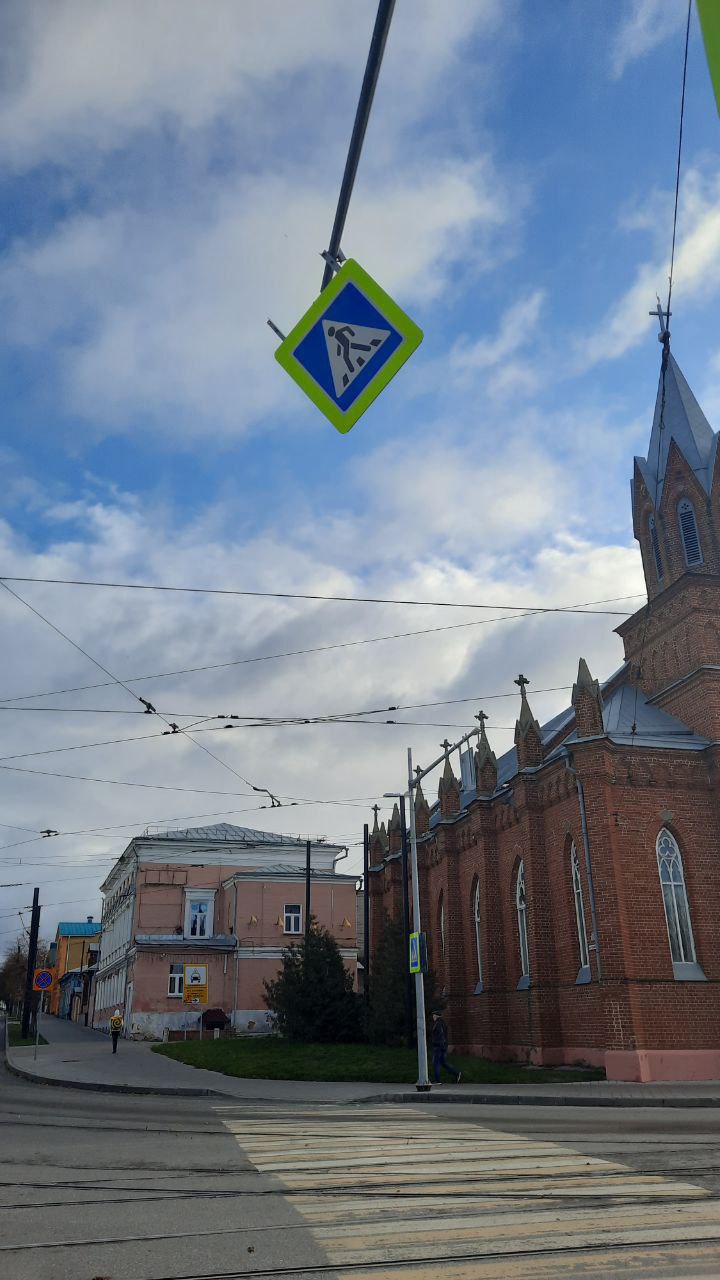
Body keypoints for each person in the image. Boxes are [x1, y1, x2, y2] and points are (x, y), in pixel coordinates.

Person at [431, 1010, 461, 1085]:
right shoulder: (443, 1023)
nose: (432, 1017)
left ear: (436, 1016)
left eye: (433, 1016)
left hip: (439, 1046)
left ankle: (438, 1081)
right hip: (443, 1046)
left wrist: (438, 1045)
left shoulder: (438, 1024)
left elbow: (440, 1036)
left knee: (436, 1063)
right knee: (443, 1062)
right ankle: (456, 1074)